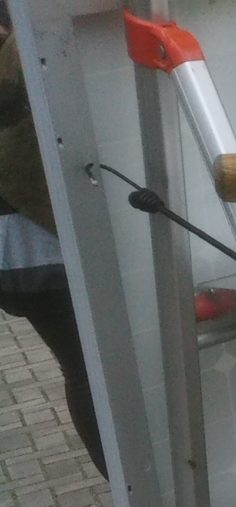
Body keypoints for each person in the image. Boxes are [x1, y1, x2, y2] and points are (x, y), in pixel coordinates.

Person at [0, 30, 102, 475]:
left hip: (30, 239)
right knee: (89, 369)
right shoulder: (20, 49)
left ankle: (130, 488)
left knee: (86, 368)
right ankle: (131, 489)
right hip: (35, 239)